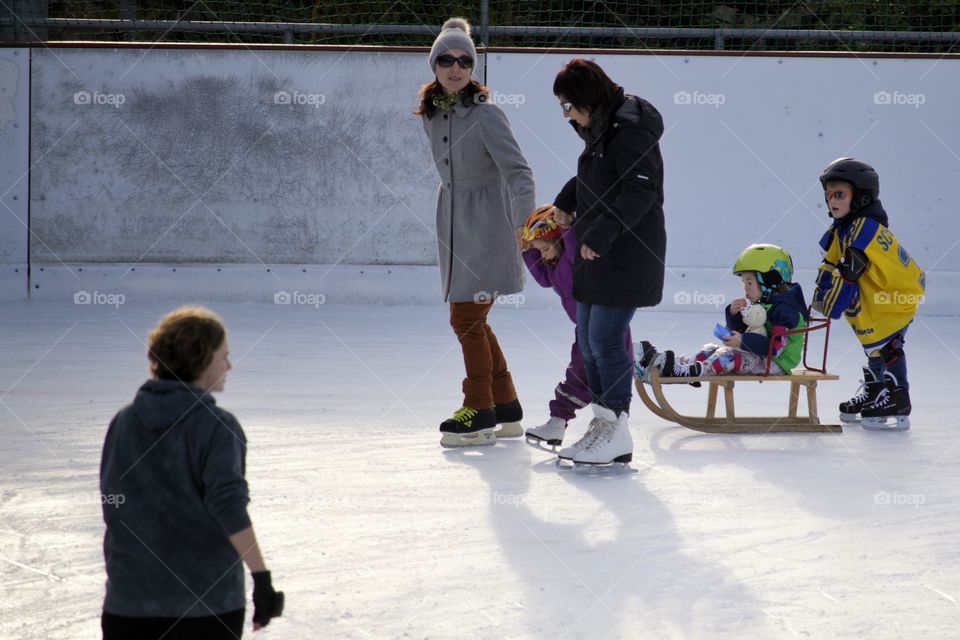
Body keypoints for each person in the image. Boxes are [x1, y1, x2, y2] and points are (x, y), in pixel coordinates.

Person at [100, 306, 283, 639]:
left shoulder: (123, 422)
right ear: (201, 357)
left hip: (128, 607)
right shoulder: (217, 427)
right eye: (223, 356)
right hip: (205, 609)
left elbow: (114, 507)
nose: (229, 365)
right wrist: (261, 578)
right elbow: (228, 506)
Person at [417, 17, 536, 447]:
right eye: (446, 59)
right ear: (434, 65)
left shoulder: (487, 115)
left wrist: (527, 224)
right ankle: (505, 407)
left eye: (464, 61)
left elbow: (519, 172)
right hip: (453, 222)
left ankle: (480, 409)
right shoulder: (431, 114)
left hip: (487, 226)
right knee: (475, 320)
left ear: (473, 69)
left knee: (467, 318)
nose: (455, 67)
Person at [545, 58, 666, 467]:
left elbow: (639, 190)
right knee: (590, 342)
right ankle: (605, 424)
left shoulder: (630, 130)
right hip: (598, 251)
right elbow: (598, 179)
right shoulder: (601, 129)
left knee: (607, 340)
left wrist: (601, 233)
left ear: (588, 100)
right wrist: (567, 199)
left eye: (568, 105)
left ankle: (616, 428)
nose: (567, 115)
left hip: (627, 252)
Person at [812, 157, 925, 431]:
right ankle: (878, 390)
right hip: (879, 295)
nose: (831, 200)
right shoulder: (845, 228)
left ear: (861, 197)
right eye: (828, 195)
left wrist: (830, 304)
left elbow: (848, 271)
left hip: (896, 295)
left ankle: (898, 398)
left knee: (888, 347)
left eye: (839, 194)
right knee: (875, 349)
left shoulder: (863, 228)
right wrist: (819, 295)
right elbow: (830, 263)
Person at [519, 205, 633, 450]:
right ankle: (565, 423)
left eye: (545, 248)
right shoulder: (555, 266)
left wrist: (567, 224)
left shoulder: (572, 255)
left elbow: (573, 237)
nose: (544, 256)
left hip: (604, 325)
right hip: (584, 327)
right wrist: (528, 252)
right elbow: (542, 279)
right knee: (585, 377)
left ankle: (564, 422)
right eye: (540, 253)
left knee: (581, 376)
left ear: (557, 237)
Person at [640, 244, 809, 380]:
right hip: (758, 355)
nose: (745, 288)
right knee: (711, 350)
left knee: (726, 358)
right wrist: (734, 316)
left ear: (770, 280)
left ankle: (687, 372)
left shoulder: (787, 312)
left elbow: (775, 348)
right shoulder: (766, 305)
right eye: (744, 282)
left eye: (749, 282)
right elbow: (744, 332)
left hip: (775, 363)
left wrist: (742, 341)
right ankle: (678, 365)